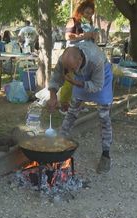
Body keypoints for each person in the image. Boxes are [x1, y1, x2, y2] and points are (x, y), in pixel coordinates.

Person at [47, 41, 113, 174]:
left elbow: (96, 86)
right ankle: (59, 143)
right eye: (68, 68)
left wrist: (76, 82)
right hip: (79, 80)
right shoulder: (65, 60)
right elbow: (56, 78)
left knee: (103, 117)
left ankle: (106, 154)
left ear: (80, 60)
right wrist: (53, 96)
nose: (69, 71)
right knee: (72, 112)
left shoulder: (96, 60)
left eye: (72, 68)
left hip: (100, 79)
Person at [59, 0, 97, 115]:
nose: (88, 15)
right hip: (72, 56)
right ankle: (63, 106)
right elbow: (68, 37)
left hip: (85, 56)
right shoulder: (73, 21)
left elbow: (91, 39)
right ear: (80, 11)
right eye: (86, 12)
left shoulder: (90, 23)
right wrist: (84, 36)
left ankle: (79, 105)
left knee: (83, 80)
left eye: (91, 13)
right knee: (69, 82)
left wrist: (94, 37)